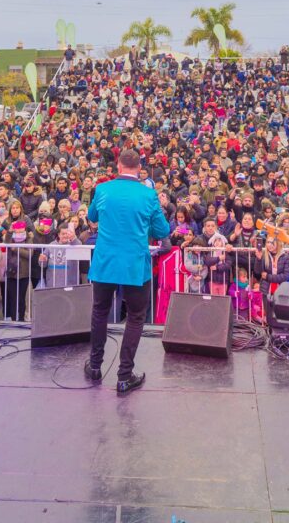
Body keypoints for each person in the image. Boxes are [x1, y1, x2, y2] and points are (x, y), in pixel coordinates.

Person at [85, 149, 170, 395]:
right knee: (135, 317)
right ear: (139, 167)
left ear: (119, 166)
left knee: (99, 312)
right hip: (134, 264)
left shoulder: (102, 189)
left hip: (105, 263)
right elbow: (162, 229)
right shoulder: (148, 194)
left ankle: (95, 366)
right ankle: (124, 376)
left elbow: (92, 217)